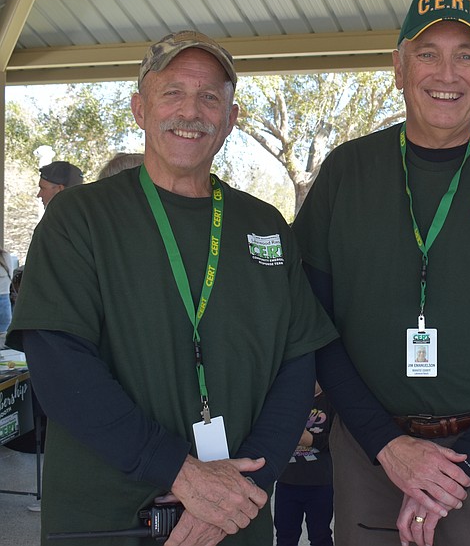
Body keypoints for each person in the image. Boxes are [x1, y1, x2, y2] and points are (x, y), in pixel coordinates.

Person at [7, 29, 338, 546]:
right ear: (140, 108)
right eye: (173, 93)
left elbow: (297, 364)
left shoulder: (265, 225)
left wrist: (244, 487)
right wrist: (182, 473)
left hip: (235, 518)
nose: (191, 111)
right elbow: (58, 361)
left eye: (210, 97)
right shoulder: (80, 216)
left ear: (231, 118)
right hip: (106, 521)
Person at [293, 0, 470, 546]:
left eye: (466, 56)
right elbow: (309, 320)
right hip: (372, 451)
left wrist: (460, 468)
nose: (447, 74)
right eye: (427, 54)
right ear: (399, 68)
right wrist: (386, 444)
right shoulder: (347, 171)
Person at [274, 383, 335, 546]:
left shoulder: (331, 401)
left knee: (320, 535)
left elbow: (338, 441)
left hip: (321, 484)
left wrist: (312, 440)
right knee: (285, 536)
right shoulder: (287, 400)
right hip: (287, 482)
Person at [0, 247, 18, 334]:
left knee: (4, 332)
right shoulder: (5, 255)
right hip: (4, 297)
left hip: (4, 297)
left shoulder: (4, 255)